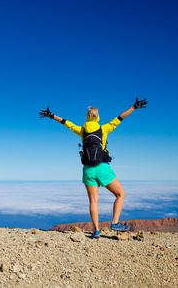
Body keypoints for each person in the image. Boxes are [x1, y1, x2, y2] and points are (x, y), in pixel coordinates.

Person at [39, 98, 147, 238]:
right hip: (102, 168)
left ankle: (96, 231)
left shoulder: (82, 131)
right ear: (98, 117)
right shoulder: (104, 129)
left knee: (93, 201)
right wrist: (134, 107)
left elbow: (67, 123)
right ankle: (114, 222)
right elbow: (120, 118)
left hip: (88, 170)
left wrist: (51, 115)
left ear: (87, 117)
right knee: (120, 194)